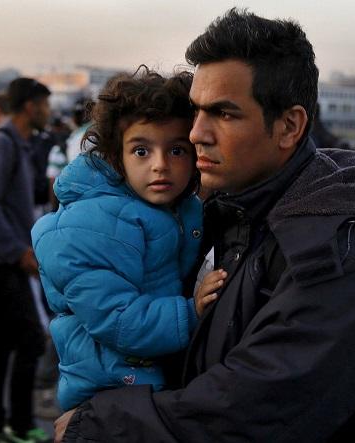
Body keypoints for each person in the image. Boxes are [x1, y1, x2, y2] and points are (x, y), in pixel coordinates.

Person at [53, 9, 355, 442]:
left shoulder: (332, 263)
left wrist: (98, 425)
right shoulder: (225, 216)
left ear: (289, 126)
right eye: (196, 111)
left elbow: (243, 415)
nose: (196, 133)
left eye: (223, 114)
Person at [32, 67, 221, 413]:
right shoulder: (92, 224)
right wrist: (190, 311)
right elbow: (117, 319)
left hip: (145, 379)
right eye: (141, 151)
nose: (160, 165)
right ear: (116, 155)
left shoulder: (175, 208)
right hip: (108, 388)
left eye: (177, 150)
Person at [0, 78, 51, 443]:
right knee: (31, 338)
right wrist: (18, 251)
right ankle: (19, 426)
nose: (48, 112)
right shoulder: (1, 144)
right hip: (2, 261)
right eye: (45, 105)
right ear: (30, 106)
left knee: (1, 343)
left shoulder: (15, 143)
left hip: (6, 257)